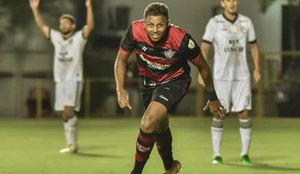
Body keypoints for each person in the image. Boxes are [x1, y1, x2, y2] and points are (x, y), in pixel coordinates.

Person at [114, 2, 224, 174]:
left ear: (168, 23)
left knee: (148, 121)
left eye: (160, 25)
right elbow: (120, 60)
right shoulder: (134, 31)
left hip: (175, 81)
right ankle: (170, 167)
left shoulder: (180, 39)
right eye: (150, 24)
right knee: (159, 126)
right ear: (144, 23)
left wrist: (212, 97)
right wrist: (120, 89)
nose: (155, 30)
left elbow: (202, 66)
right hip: (148, 82)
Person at [198, 0, 261, 165]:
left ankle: (245, 154)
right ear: (222, 3)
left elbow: (254, 47)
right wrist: (201, 72)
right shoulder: (214, 23)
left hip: (242, 76)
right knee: (219, 113)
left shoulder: (246, 22)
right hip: (220, 76)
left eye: (234, 0)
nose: (232, 3)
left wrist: (257, 69)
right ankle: (216, 154)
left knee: (244, 112)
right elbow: (205, 48)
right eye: (228, 0)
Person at [29, 0, 94, 153]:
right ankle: (71, 144)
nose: (63, 25)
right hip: (60, 80)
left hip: (74, 78)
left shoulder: (78, 38)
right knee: (63, 113)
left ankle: (73, 143)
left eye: (66, 23)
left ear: (72, 26)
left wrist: (89, 6)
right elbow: (41, 25)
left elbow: (89, 26)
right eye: (61, 23)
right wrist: (35, 9)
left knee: (68, 110)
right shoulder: (56, 37)